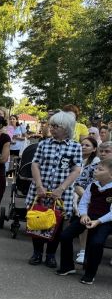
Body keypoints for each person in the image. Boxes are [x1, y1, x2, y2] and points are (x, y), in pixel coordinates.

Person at [26, 111, 82, 268]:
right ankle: (37, 253)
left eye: (55, 126)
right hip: (40, 190)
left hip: (61, 193)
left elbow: (76, 169)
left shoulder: (75, 147)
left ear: (66, 128)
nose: (52, 128)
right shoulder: (43, 144)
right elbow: (35, 164)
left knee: (56, 224)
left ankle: (50, 255)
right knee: (37, 220)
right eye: (51, 125)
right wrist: (39, 185)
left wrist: (61, 189)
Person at [57, 157, 112, 284]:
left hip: (106, 221)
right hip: (88, 217)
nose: (95, 171)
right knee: (65, 235)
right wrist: (83, 215)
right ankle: (67, 266)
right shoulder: (92, 185)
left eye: (100, 169)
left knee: (96, 243)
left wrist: (98, 221)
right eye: (96, 168)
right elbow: (83, 203)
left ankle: (90, 273)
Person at [71, 136, 101, 264]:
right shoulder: (75, 158)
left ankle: (83, 250)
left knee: (84, 210)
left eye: (87, 145)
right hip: (76, 189)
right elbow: (77, 183)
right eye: (81, 145)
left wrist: (86, 197)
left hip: (91, 195)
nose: (83, 147)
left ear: (94, 149)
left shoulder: (96, 162)